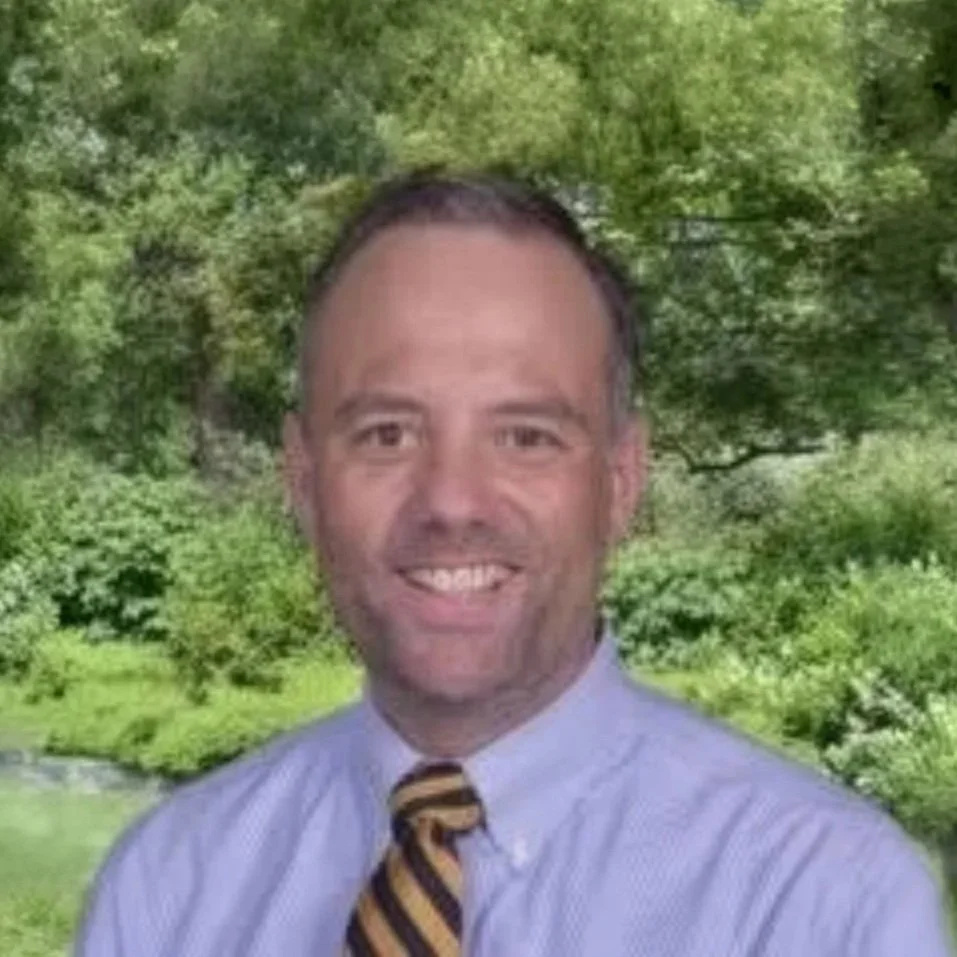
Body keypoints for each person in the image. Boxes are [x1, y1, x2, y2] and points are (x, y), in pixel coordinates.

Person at [74, 171, 954, 957]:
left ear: (619, 481)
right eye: (387, 433)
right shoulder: (166, 892)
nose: (451, 501)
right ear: (303, 480)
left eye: (526, 436)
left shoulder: (825, 906)